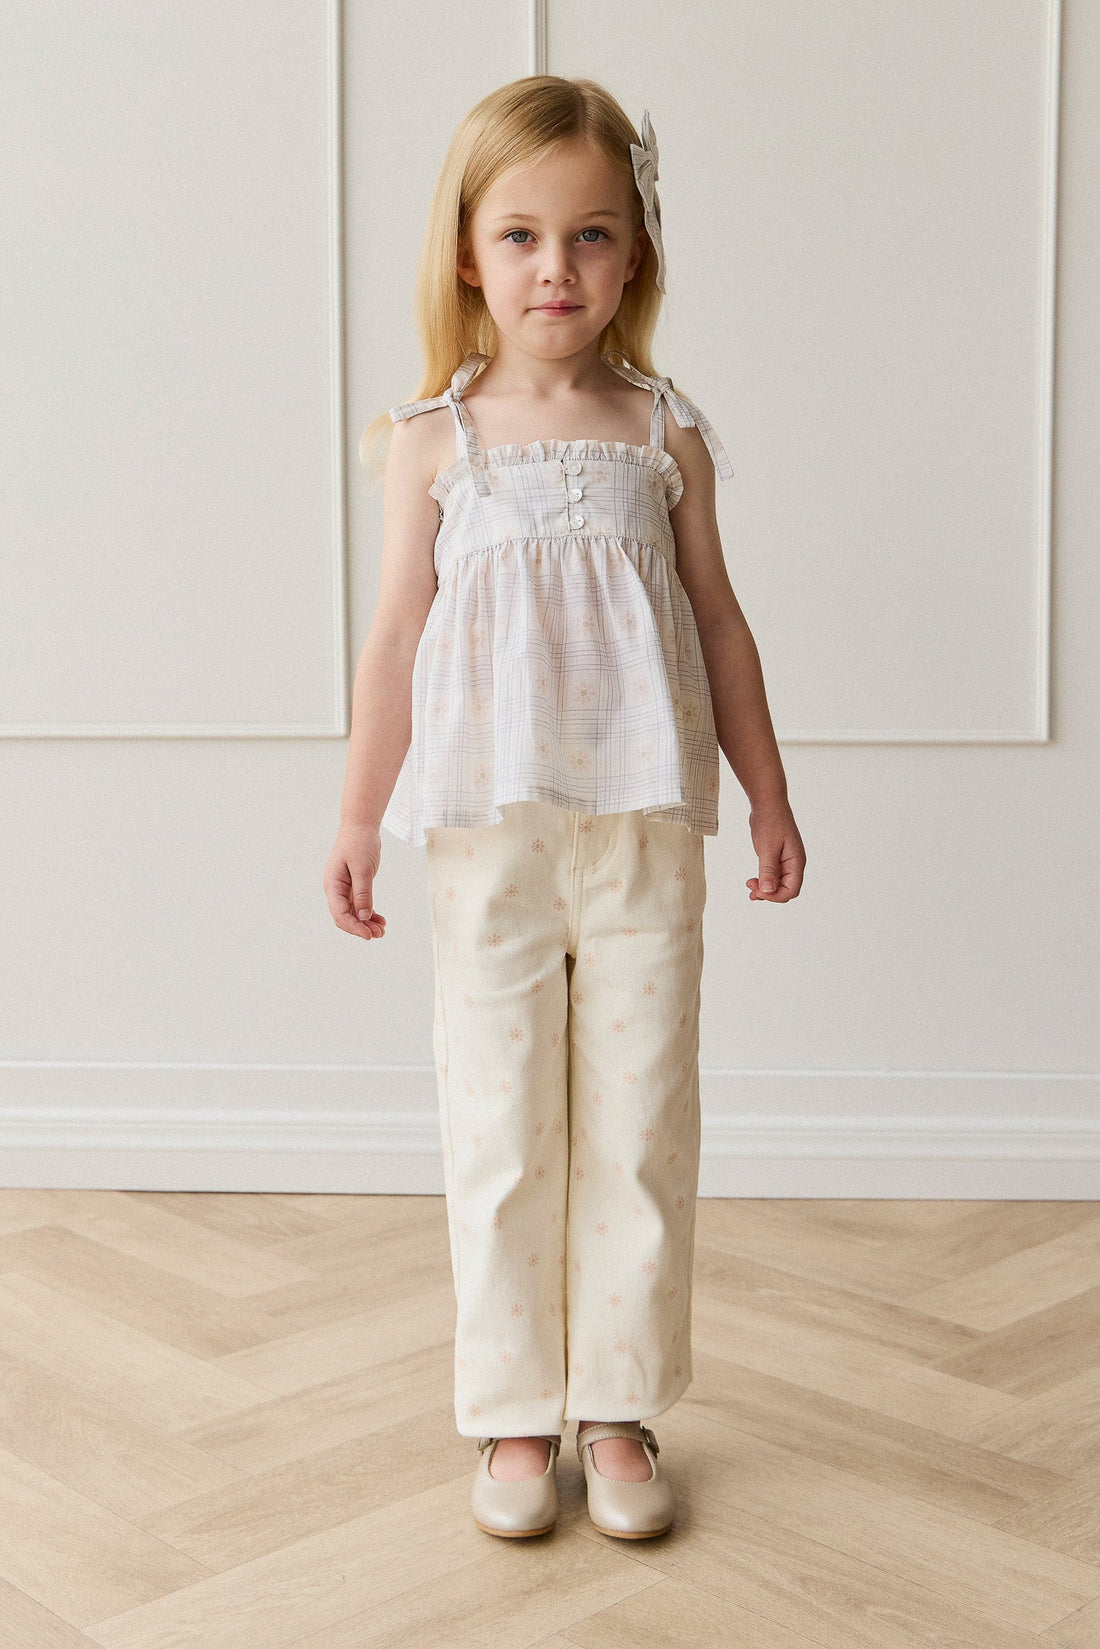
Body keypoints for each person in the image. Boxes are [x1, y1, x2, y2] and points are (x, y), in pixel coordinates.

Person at [324, 76, 806, 1539]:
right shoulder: (434, 440)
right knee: (504, 1123)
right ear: (469, 255)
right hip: (489, 836)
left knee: (641, 1121)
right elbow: (395, 642)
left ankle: (620, 1404)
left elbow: (721, 626)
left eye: (591, 234)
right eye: (521, 235)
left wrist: (769, 795)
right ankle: (514, 1412)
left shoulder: (666, 434)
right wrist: (356, 818)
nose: (556, 268)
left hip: (644, 829)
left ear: (635, 251)